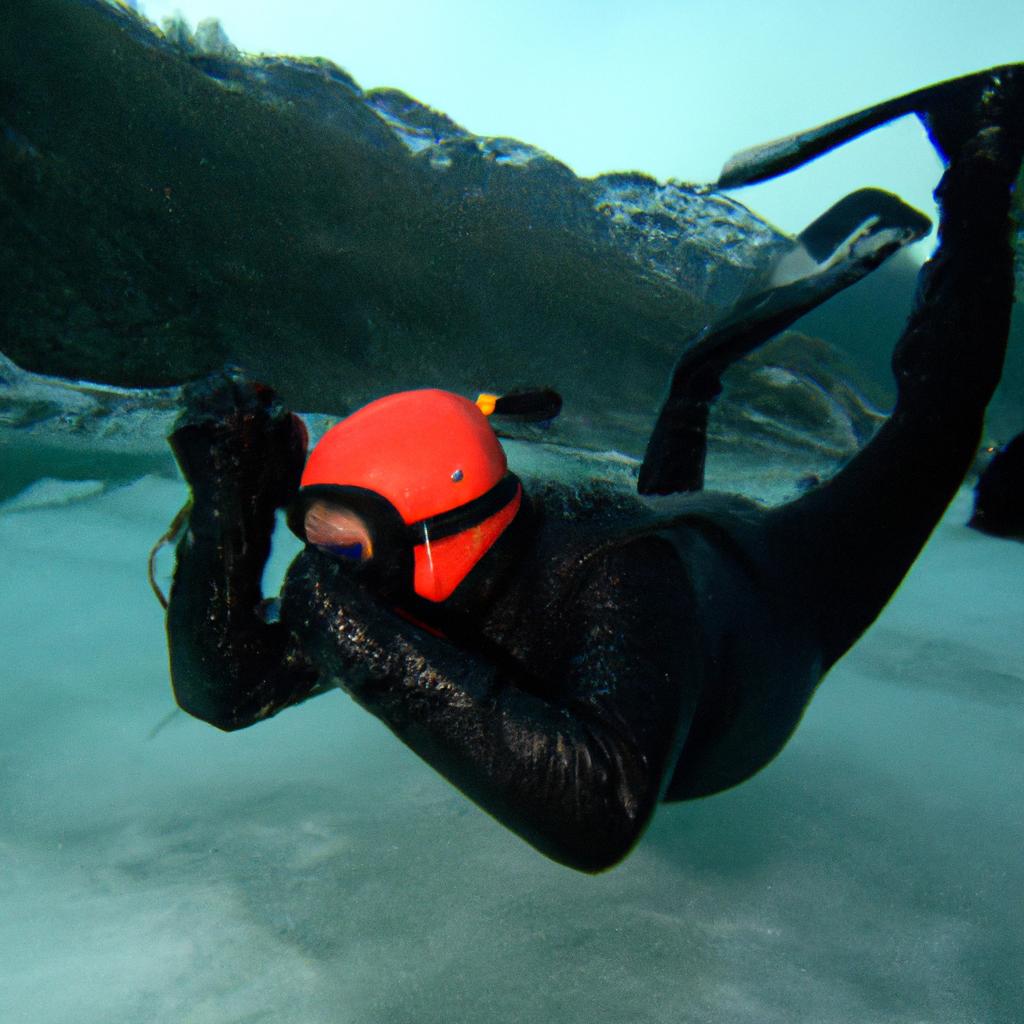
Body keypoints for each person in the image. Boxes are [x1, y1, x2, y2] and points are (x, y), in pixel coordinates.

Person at [165, 67, 1024, 872]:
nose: (325, 580)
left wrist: (343, 619)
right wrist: (224, 513)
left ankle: (980, 164)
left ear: (441, 533)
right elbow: (232, 688)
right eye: (315, 548)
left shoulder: (614, 584)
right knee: (677, 444)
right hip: (659, 533)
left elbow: (601, 806)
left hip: (773, 593)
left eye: (344, 556)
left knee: (937, 430)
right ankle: (700, 372)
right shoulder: (421, 570)